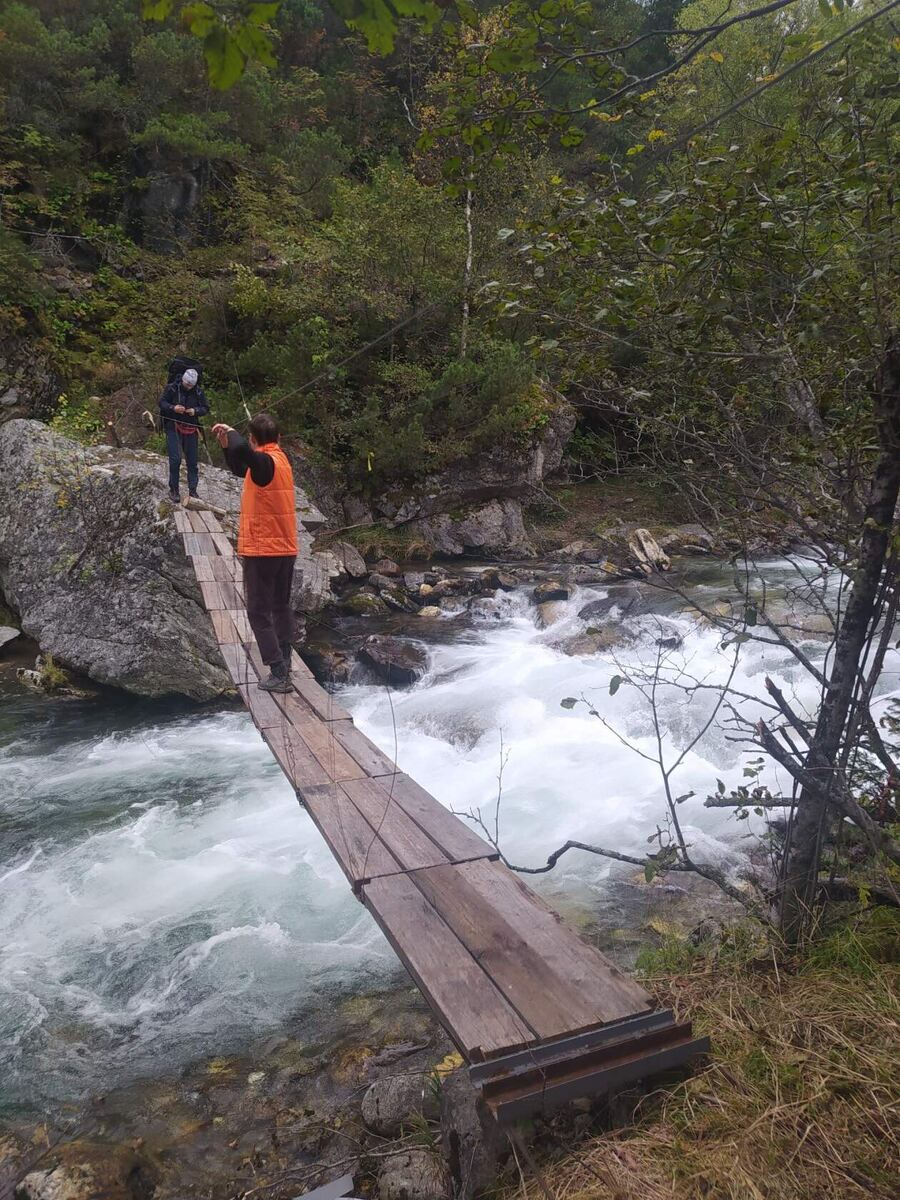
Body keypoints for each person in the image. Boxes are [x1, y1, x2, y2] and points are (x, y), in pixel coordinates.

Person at [212, 414, 298, 693]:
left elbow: (244, 452)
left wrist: (231, 432)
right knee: (280, 606)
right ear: (279, 438)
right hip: (285, 547)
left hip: (264, 549)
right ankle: (285, 661)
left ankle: (278, 671)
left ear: (252, 439)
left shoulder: (265, 462)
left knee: (258, 612)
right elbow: (242, 468)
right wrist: (227, 445)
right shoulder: (280, 460)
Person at [159, 367, 209, 502]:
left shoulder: (198, 392)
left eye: (191, 385)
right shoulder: (172, 388)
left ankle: (193, 491)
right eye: (187, 384)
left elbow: (205, 408)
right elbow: (162, 402)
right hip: (173, 426)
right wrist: (173, 408)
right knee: (175, 459)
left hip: (191, 428)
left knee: (192, 461)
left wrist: (195, 411)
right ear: (183, 380)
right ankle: (174, 489)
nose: (188, 387)